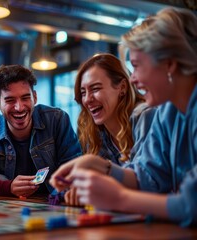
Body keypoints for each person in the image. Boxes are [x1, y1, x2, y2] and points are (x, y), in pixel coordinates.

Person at [50, 7, 197, 226]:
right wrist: (98, 165)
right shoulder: (167, 111)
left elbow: (190, 205)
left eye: (136, 66)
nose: (134, 79)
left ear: (169, 64)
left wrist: (120, 198)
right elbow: (147, 178)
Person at [0, 64, 82, 198]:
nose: (19, 107)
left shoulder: (57, 120)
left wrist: (58, 196)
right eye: (10, 100)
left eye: (25, 98)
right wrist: (9, 186)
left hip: (54, 202)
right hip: (7, 208)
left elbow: (73, 168)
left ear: (34, 97)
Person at [64, 53, 156, 206]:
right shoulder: (93, 130)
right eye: (83, 93)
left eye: (95, 89)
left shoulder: (144, 115)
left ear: (122, 87)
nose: (87, 99)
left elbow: (147, 184)